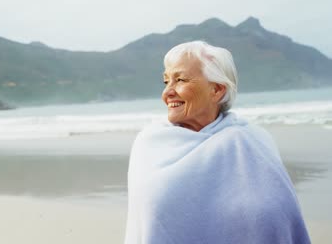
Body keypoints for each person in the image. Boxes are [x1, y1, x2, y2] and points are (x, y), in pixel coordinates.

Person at [124, 41, 310, 244]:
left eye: (180, 80)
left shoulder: (251, 141)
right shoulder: (150, 143)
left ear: (217, 90)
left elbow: (279, 217)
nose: (167, 92)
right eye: (166, 81)